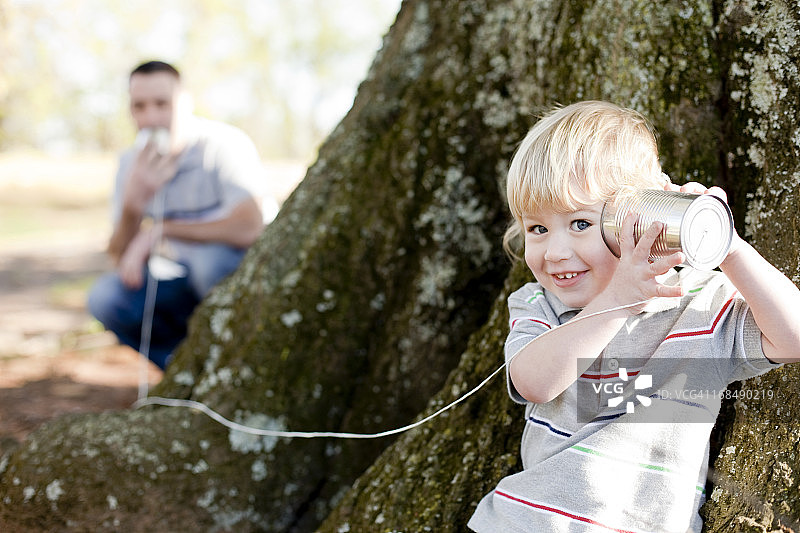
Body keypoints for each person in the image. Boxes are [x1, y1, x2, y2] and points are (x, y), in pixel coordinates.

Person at [468, 101, 800, 532]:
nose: (555, 252)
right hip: (528, 522)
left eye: (581, 224)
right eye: (537, 229)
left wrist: (728, 246)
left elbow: (793, 338)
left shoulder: (698, 304)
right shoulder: (539, 304)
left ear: (640, 216)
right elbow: (534, 382)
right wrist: (617, 300)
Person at [88, 60, 269, 370]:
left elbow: (250, 227)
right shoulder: (131, 163)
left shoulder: (223, 145)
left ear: (186, 102)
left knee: (209, 263)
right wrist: (132, 205)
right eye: (139, 107)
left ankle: (234, 362)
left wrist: (161, 230)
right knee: (105, 297)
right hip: (177, 280)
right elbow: (119, 257)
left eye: (162, 104)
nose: (151, 118)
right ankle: (181, 371)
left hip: (234, 278)